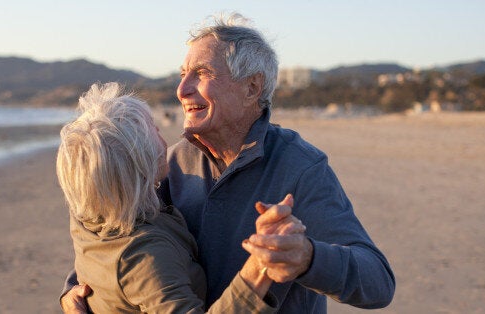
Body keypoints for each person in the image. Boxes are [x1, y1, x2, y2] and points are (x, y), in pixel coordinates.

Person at [62, 13, 395, 313]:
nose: (181, 89)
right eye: (182, 74)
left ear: (252, 87)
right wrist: (73, 291)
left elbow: (377, 283)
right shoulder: (173, 162)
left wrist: (307, 257)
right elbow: (116, 233)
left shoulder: (299, 167)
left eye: (201, 73)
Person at [56, 82, 305, 313]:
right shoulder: (146, 260)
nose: (165, 139)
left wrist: (70, 290)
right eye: (154, 131)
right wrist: (256, 271)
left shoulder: (87, 215)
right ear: (142, 165)